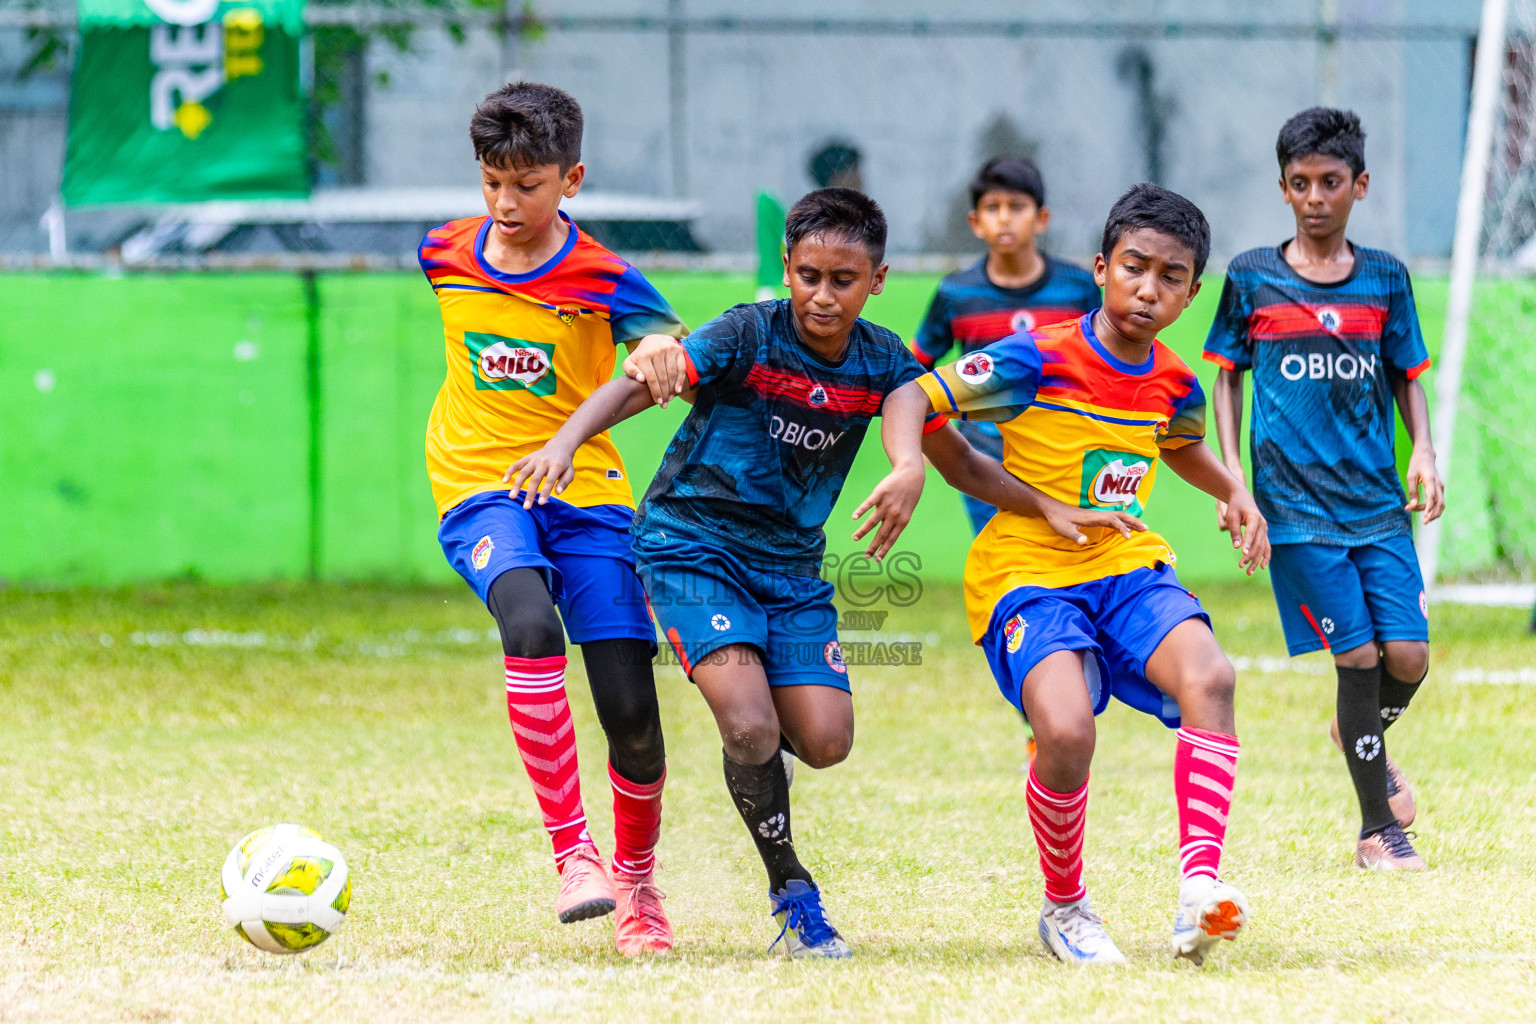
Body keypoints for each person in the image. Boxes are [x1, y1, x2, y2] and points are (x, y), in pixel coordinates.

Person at [508, 187, 1144, 958]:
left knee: (825, 740)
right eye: (808, 275)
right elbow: (640, 383)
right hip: (690, 547)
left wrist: (1043, 505)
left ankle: (751, 741)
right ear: (787, 268)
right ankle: (793, 892)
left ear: (877, 280)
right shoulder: (747, 332)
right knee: (750, 724)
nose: (822, 295)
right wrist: (565, 441)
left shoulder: (883, 360)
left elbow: (957, 459)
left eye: (844, 280)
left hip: (790, 570)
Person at [900, 183, 1270, 966]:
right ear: (1101, 268)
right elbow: (916, 399)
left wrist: (1234, 490)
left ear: (1191, 293)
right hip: (1024, 570)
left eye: (1171, 277)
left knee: (1211, 676)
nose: (1149, 289)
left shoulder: (1173, 380)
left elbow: (1179, 443)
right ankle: (1065, 908)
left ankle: (1198, 895)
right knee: (1066, 731)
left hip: (1124, 563)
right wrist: (915, 469)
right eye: (1134, 267)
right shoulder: (1035, 356)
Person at [419, 81, 687, 955]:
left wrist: (655, 347)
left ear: (571, 179)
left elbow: (663, 348)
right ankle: (575, 855)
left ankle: (637, 883)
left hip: (589, 493)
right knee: (529, 623)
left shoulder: (606, 275)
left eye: (527, 184)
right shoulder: (442, 252)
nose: (506, 202)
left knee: (631, 711)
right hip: (480, 482)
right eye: (492, 181)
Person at [1203, 107, 1444, 872]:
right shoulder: (1251, 276)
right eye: (1300, 183)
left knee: (1409, 656)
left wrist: (1424, 451)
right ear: (1283, 188)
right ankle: (1379, 831)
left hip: (1376, 503)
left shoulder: (1386, 278)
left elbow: (1407, 375)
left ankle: (1357, 729)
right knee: (1359, 658)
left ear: (1359, 185)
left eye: (1330, 181)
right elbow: (1226, 378)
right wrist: (1232, 478)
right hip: (1295, 508)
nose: (1315, 197)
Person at [912, 156, 1101, 535]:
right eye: (992, 208)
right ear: (975, 222)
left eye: (1016, 207)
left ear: (1041, 218)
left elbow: (1099, 361)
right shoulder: (956, 292)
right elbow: (917, 365)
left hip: (1061, 454)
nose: (1003, 218)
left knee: (1064, 550)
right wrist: (929, 432)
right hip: (983, 456)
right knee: (1000, 550)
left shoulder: (1078, 287)